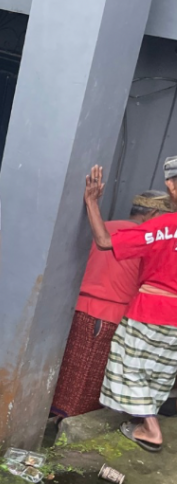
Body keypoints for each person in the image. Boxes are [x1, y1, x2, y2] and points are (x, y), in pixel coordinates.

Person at [51, 190, 171, 419]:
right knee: (89, 383)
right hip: (111, 317)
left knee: (68, 375)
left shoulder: (103, 227)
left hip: (78, 310)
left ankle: (56, 422)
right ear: (154, 213)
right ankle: (67, 431)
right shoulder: (146, 239)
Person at [84, 160, 177, 452]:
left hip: (149, 309)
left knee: (130, 364)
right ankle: (146, 420)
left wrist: (91, 203)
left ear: (171, 185)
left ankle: (150, 429)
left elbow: (103, 241)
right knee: (161, 371)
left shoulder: (163, 227)